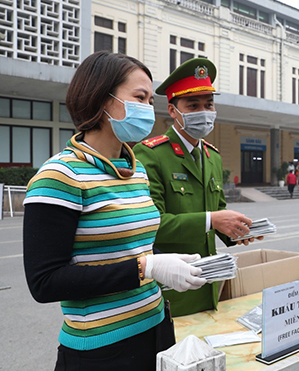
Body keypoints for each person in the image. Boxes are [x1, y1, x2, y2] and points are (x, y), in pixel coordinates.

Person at [22, 51, 206, 370]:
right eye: (139, 97)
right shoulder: (60, 176)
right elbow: (45, 281)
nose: (148, 109)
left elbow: (135, 246)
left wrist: (173, 264)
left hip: (157, 328)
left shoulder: (135, 171)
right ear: (102, 99)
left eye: (150, 101)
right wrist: (145, 268)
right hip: (102, 349)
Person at [133, 58, 259, 317]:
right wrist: (212, 220)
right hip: (171, 289)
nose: (204, 111)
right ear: (172, 110)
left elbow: (218, 210)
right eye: (193, 105)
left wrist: (237, 231)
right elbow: (152, 224)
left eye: (208, 104)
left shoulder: (213, 157)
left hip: (209, 285)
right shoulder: (150, 155)